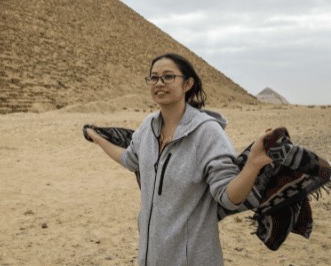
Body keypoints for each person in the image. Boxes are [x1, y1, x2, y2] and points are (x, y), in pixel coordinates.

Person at [85, 53, 273, 265]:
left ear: (187, 84)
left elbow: (228, 197)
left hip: (192, 258)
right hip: (150, 256)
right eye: (154, 78)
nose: (159, 83)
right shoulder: (148, 127)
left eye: (168, 77)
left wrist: (254, 164)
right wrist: (98, 139)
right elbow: (129, 159)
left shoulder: (208, 133)